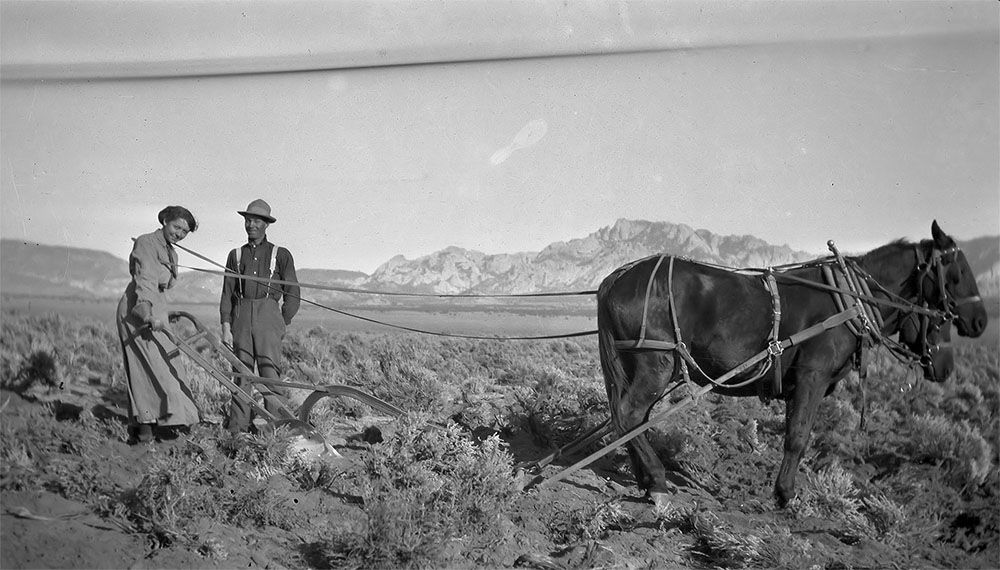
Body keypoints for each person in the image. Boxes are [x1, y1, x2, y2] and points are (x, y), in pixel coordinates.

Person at [116, 205, 201, 444]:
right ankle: (145, 430)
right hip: (138, 309)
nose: (179, 234)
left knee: (167, 364)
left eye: (184, 231)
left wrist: (161, 313)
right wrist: (147, 313)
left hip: (157, 309)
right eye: (176, 227)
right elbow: (145, 281)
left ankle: (166, 421)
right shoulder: (146, 243)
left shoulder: (171, 253)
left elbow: (162, 286)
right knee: (146, 367)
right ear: (165, 221)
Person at [220, 199, 301, 433]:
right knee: (241, 373)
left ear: (266, 225)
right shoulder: (234, 255)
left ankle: (276, 428)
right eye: (247, 220)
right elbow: (227, 293)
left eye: (256, 221)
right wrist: (226, 325)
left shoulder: (281, 254)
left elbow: (293, 292)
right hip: (241, 317)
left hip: (269, 316)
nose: (251, 224)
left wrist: (280, 321)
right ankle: (238, 430)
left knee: (269, 373)